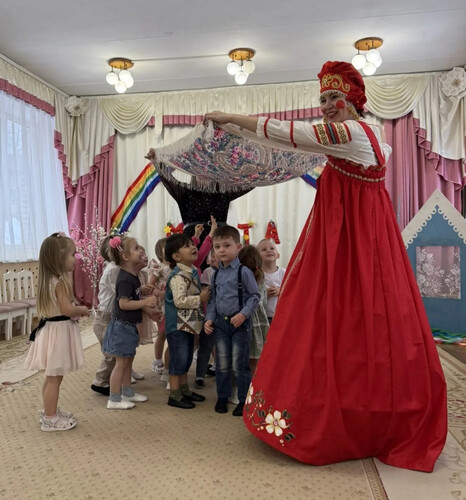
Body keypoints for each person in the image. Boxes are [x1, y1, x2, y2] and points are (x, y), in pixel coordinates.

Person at [204, 61, 447, 472]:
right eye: (322, 99)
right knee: (364, 319)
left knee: (333, 317)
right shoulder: (375, 137)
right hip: (366, 239)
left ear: (353, 100)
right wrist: (237, 131)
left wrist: (229, 117)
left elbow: (288, 133)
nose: (327, 105)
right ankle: (372, 407)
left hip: (349, 242)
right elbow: (289, 143)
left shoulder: (349, 134)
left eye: (335, 97)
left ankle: (343, 416)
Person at [24, 232, 89, 431]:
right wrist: (81, 310)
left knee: (52, 375)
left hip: (52, 330)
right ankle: (50, 418)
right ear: (59, 258)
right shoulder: (59, 282)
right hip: (58, 333)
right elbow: (67, 310)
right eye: (73, 254)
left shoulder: (51, 280)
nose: (76, 258)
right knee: (54, 377)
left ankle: (48, 411)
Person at [204, 225, 260, 417]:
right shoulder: (215, 274)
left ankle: (244, 399)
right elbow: (213, 300)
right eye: (217, 246)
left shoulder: (243, 272)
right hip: (220, 324)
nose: (221, 250)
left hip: (239, 325)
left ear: (238, 247)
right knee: (222, 363)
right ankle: (222, 396)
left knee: (239, 364)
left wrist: (243, 314)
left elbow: (254, 296)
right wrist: (209, 319)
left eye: (226, 245)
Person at [102, 235, 157, 410]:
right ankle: (114, 398)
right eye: (136, 248)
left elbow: (132, 296)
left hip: (129, 326)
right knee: (121, 364)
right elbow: (123, 304)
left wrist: (142, 294)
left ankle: (127, 392)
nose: (140, 250)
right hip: (122, 327)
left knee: (127, 361)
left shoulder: (132, 276)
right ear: (125, 257)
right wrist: (145, 302)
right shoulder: (125, 278)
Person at [164, 233, 210, 409]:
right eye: (187, 246)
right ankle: (174, 395)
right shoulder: (178, 276)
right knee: (179, 359)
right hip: (177, 325)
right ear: (176, 256)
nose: (193, 247)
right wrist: (200, 298)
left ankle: (184, 390)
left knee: (187, 357)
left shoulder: (191, 272)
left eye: (192, 244)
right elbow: (180, 301)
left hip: (187, 324)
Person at [238, 245, 269, 376]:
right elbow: (264, 303)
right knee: (256, 360)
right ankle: (255, 383)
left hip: (245, 321)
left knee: (242, 359)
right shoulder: (261, 279)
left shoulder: (240, 278)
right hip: (259, 323)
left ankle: (244, 384)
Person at [194, 247, 219, 389]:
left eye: (216, 256)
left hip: (225, 315)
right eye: (212, 256)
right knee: (205, 346)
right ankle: (200, 375)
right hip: (209, 315)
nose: (214, 258)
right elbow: (205, 294)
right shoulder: (208, 272)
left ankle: (220, 371)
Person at [148, 237, 171, 376]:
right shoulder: (159, 268)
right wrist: (158, 293)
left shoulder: (176, 266)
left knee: (171, 333)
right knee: (162, 333)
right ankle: (157, 360)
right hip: (162, 306)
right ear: (160, 253)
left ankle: (169, 360)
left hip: (173, 303)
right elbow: (150, 285)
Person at [256, 239, 286, 324]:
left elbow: (293, 291)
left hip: (282, 316)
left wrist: (281, 290)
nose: (268, 250)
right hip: (264, 318)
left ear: (278, 255)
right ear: (257, 257)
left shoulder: (284, 273)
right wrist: (264, 294)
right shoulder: (256, 275)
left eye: (272, 248)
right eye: (264, 249)